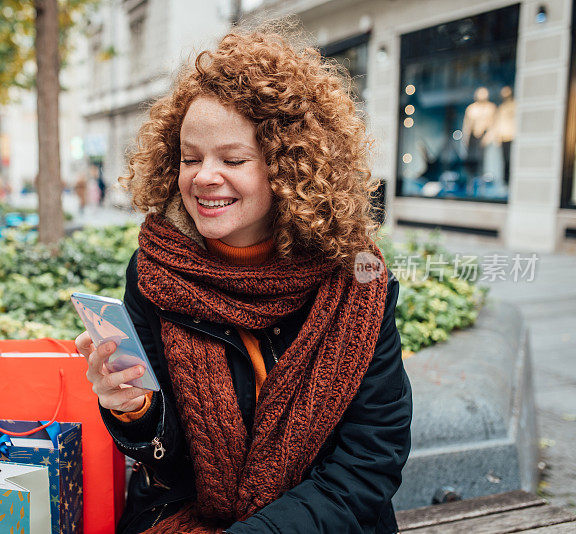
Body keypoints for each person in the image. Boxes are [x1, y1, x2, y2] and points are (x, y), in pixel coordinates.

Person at [75, 29, 412, 534]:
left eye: (232, 160)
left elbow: (370, 461)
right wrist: (134, 411)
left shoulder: (356, 281)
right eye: (191, 158)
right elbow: (167, 469)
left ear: (288, 168)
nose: (204, 177)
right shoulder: (154, 271)